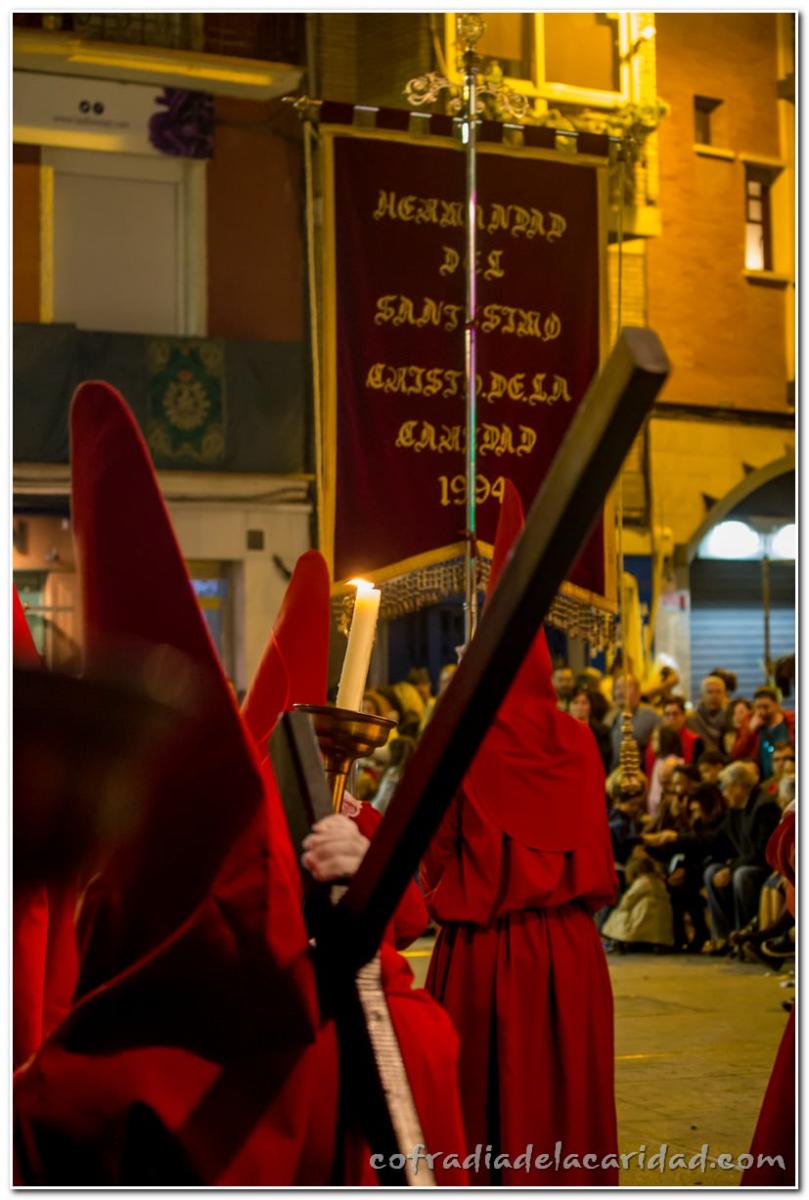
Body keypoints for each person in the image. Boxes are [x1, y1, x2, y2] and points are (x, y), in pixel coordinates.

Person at [422, 483, 619, 1186]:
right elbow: (599, 855)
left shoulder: (458, 738)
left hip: (480, 956)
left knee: (483, 1125)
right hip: (570, 956)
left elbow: (429, 859)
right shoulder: (580, 742)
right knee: (564, 1119)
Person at [702, 761, 782, 954]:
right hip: (746, 862)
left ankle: (746, 936)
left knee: (742, 876)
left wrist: (731, 869)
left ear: (739, 786)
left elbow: (762, 851)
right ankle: (723, 937)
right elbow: (715, 839)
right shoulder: (736, 809)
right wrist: (675, 838)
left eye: (725, 787)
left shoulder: (764, 806)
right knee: (712, 871)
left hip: (765, 866)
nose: (723, 793)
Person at [602, 856, 674, 951]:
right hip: (660, 915)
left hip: (644, 913)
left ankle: (619, 939)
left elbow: (630, 898)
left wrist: (622, 908)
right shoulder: (658, 881)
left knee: (620, 915)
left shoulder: (642, 881)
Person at [732, 687, 795, 780]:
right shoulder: (748, 723)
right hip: (762, 780)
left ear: (776, 705)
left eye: (766, 707)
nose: (762, 711)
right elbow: (736, 755)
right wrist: (750, 731)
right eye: (758, 707)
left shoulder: (792, 722)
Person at [608, 675, 660, 771]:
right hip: (615, 775)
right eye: (617, 688)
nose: (620, 692)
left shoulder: (650, 716)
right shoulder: (611, 717)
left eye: (625, 687)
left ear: (638, 692)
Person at [644, 696, 703, 778]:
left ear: (683, 716)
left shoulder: (696, 741)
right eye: (667, 714)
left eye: (675, 714)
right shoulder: (655, 740)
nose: (671, 718)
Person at [569, 685, 612, 773]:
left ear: (590, 706)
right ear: (569, 706)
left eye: (584, 703)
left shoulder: (602, 732)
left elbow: (605, 760)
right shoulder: (560, 731)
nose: (579, 707)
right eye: (575, 702)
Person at [685, 674, 729, 754]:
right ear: (701, 696)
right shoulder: (691, 720)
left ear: (724, 695)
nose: (714, 696)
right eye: (710, 692)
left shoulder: (730, 719)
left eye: (718, 692)